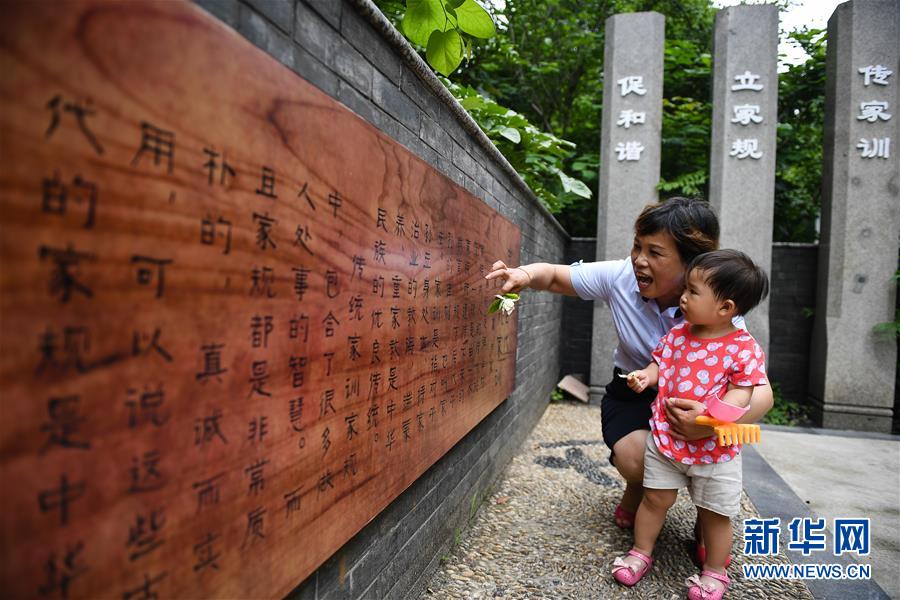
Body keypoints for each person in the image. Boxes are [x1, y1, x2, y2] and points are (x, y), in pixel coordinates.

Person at [484, 197, 773, 562]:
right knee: (637, 461)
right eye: (637, 246)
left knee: (712, 466)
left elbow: (761, 396)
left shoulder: (722, 319)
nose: (639, 259)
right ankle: (637, 492)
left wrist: (711, 425)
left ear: (690, 264)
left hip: (701, 408)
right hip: (634, 391)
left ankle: (707, 520)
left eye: (655, 252)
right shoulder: (621, 276)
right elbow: (556, 276)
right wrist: (523, 276)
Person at [610, 249, 769, 599]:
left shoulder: (743, 349)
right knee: (654, 500)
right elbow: (659, 365)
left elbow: (742, 394)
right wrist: (644, 377)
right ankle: (640, 552)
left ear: (726, 308)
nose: (682, 297)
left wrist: (711, 418)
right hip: (667, 439)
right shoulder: (679, 335)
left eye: (693, 292)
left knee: (715, 514)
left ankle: (714, 572)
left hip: (716, 449)